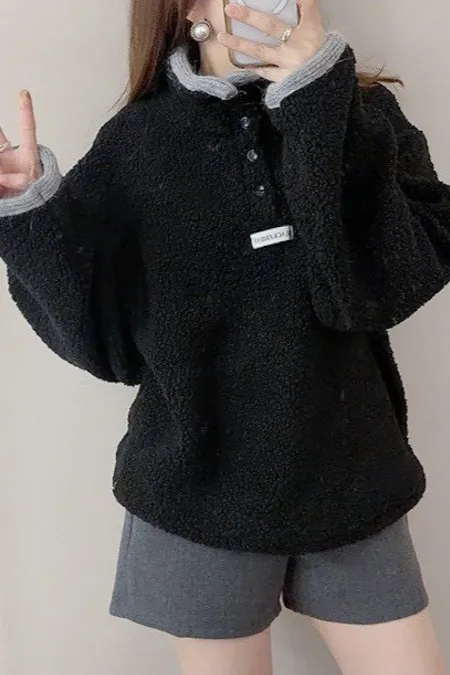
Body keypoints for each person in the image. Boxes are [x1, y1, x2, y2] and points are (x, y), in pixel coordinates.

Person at [1, 0, 449, 672]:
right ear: (187, 8)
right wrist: (28, 213)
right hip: (198, 491)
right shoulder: (136, 143)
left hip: (353, 478)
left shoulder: (363, 114)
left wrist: (317, 104)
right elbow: (105, 346)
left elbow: (370, 293)